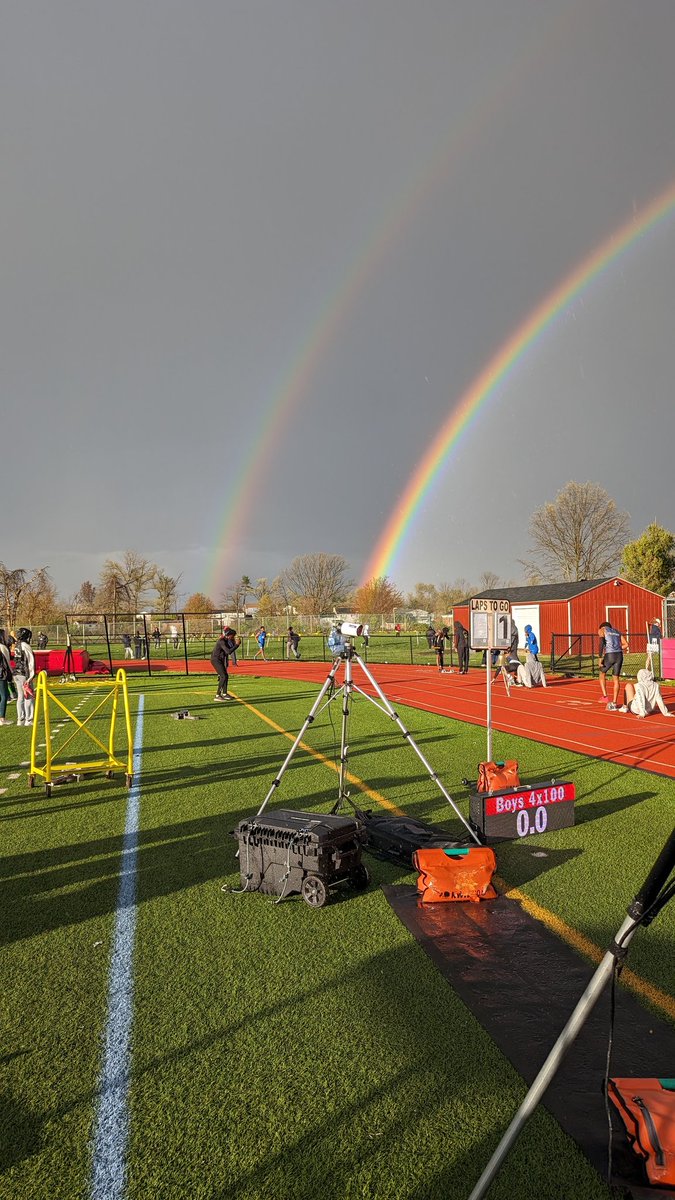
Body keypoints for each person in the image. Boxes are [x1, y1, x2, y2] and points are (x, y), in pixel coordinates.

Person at [598, 620, 628, 709]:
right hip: (619, 655)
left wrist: (600, 658)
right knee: (616, 679)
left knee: (602, 674)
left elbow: (601, 644)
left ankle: (605, 697)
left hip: (610, 654)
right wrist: (618, 647)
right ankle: (614, 702)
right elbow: (626, 644)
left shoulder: (602, 630)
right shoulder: (617, 632)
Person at [13, 627, 36, 727]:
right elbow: (30, 662)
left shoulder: (17, 645)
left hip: (16, 673)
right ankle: (29, 720)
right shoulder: (25, 645)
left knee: (20, 697)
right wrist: (30, 676)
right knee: (29, 696)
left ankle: (20, 719)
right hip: (23, 674)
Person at [210, 627, 239, 701]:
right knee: (223, 676)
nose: (233, 637)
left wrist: (234, 643)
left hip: (220, 660)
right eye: (232, 636)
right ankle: (217, 695)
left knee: (225, 675)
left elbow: (230, 648)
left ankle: (225, 694)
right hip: (216, 660)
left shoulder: (226, 640)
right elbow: (228, 651)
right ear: (228, 635)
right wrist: (237, 645)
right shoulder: (221, 641)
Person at [0, 629, 14, 725]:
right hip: (1, 675)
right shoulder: (3, 647)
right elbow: (7, 664)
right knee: (4, 696)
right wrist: (12, 675)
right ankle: (2, 718)